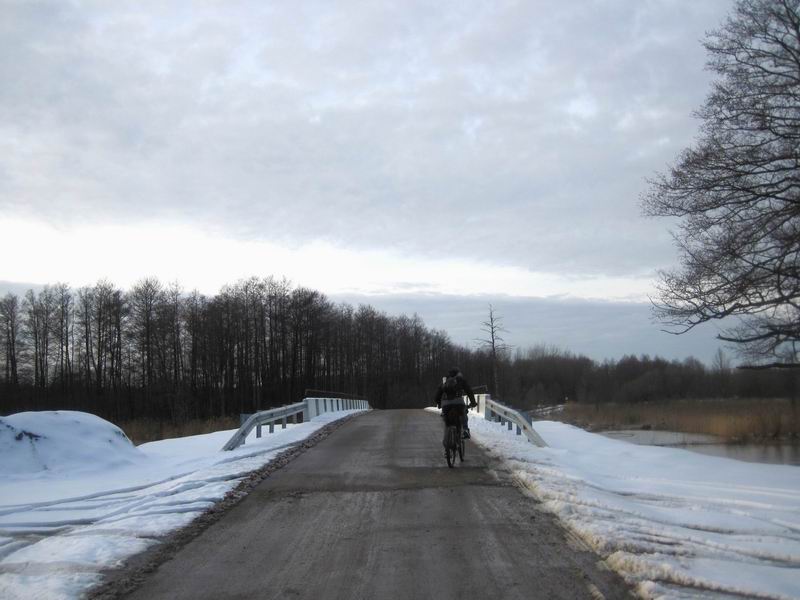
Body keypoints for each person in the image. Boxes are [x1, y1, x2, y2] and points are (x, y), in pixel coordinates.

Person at [434, 367, 477, 440]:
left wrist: (438, 403)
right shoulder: (460, 379)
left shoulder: (445, 381)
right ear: (458, 373)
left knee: (446, 418)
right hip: (458, 402)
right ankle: (465, 430)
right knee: (463, 412)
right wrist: (473, 402)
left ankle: (447, 441)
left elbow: (438, 393)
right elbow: (469, 391)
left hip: (446, 403)